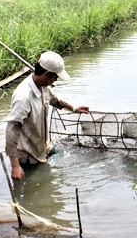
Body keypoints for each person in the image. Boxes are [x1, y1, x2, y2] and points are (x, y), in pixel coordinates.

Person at [5, 51, 89, 180]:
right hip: (28, 156)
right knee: (32, 189)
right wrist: (15, 166)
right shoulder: (23, 98)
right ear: (47, 74)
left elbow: (54, 99)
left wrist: (73, 108)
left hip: (44, 147)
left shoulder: (43, 86)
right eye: (55, 77)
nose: (56, 80)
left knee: (61, 158)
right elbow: (11, 130)